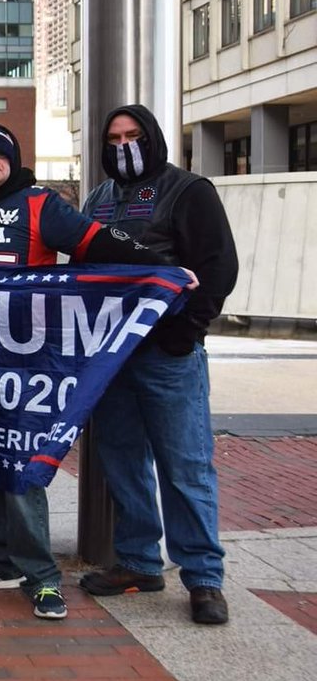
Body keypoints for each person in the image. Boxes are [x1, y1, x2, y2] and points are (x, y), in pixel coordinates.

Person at [0, 123, 182, 621]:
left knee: (24, 462)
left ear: (13, 160)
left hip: (30, 358)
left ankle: (43, 577)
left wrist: (157, 268)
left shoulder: (41, 204)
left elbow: (95, 242)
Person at [79, 105, 239, 626]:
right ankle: (139, 560)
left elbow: (219, 265)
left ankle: (203, 578)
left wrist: (187, 329)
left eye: (134, 135)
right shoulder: (98, 199)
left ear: (152, 139)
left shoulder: (189, 190)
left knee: (185, 464)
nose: (124, 144)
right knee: (121, 459)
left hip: (167, 354)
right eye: (115, 137)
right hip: (112, 355)